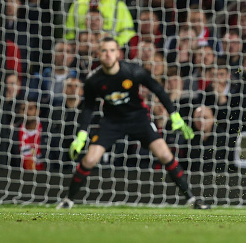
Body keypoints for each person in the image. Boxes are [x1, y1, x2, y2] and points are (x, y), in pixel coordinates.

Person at [56, 36, 209, 209]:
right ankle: (68, 200)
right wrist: (81, 135)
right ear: (99, 54)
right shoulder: (93, 80)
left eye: (112, 50)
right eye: (104, 50)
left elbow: (157, 89)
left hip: (139, 118)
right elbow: (89, 108)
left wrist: (175, 115)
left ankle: (191, 199)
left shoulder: (133, 71)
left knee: (166, 155)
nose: (108, 54)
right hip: (112, 122)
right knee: (89, 160)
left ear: (118, 53)